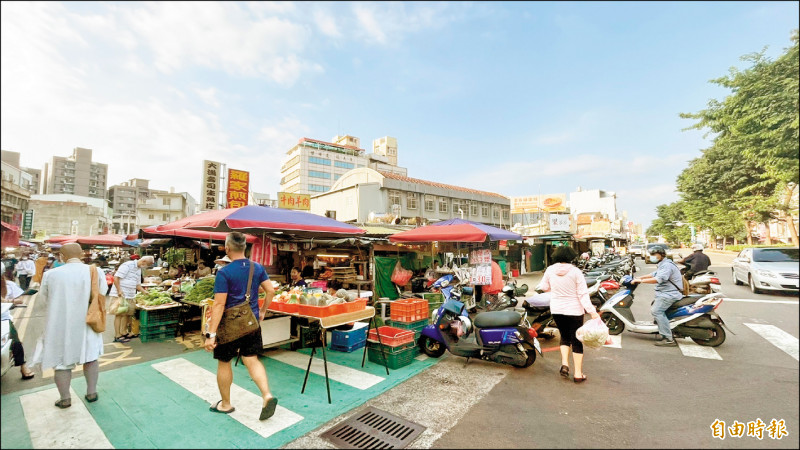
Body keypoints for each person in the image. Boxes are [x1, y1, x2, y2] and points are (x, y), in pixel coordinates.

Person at [204, 232, 277, 420]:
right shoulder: (257, 267)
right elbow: (270, 290)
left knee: (224, 362)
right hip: (251, 322)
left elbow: (219, 304)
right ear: (245, 248)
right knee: (251, 359)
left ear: (227, 249)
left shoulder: (224, 272)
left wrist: (211, 334)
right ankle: (267, 395)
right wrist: (262, 311)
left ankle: (226, 404)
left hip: (229, 327)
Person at [34, 243, 105, 408]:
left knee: (61, 362)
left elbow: (42, 300)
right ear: (81, 254)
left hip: (60, 324)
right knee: (91, 357)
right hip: (89, 322)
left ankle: (65, 398)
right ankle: (91, 392)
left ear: (62, 256)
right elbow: (101, 293)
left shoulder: (51, 274)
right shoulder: (95, 271)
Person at [539, 246, 601, 383]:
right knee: (576, 340)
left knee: (564, 337)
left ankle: (565, 364)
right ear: (571, 257)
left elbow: (543, 287)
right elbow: (583, 294)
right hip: (574, 311)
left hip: (556, 310)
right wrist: (592, 312)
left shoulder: (550, 270)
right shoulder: (576, 272)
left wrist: (554, 289)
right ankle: (578, 374)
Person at [632, 246, 684, 347]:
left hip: (669, 294)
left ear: (661, 255)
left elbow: (658, 279)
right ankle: (664, 330)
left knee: (656, 311)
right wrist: (639, 277)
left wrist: (641, 281)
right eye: (651, 255)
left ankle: (668, 339)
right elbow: (653, 274)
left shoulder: (667, 265)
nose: (652, 257)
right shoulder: (663, 264)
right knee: (657, 308)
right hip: (666, 293)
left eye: (654, 255)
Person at [113, 255, 154, 342]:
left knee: (127, 314)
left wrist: (144, 292)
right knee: (119, 314)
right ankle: (117, 335)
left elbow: (137, 284)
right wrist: (119, 290)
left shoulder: (139, 269)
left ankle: (123, 332)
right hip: (121, 294)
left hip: (131, 295)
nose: (146, 267)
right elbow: (116, 277)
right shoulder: (127, 265)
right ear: (143, 261)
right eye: (147, 265)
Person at [1, 278, 36, 380]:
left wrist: (8, 301)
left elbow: (20, 299)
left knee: (15, 341)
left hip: (3, 319)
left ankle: (23, 366)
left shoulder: (9, 285)